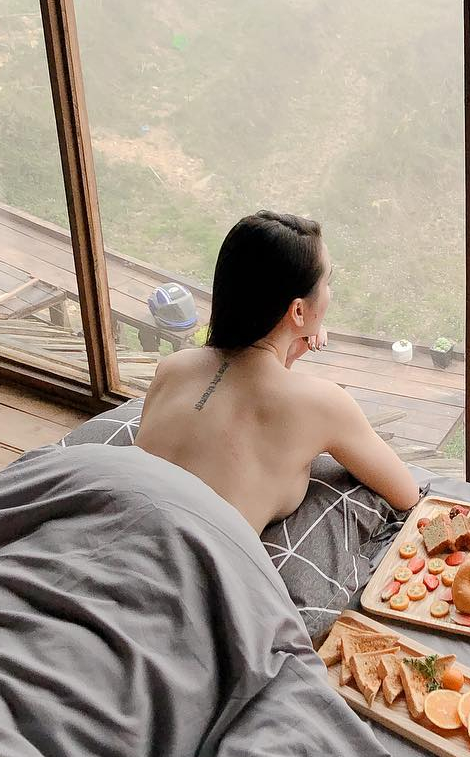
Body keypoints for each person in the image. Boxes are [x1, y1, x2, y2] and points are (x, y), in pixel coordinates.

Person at [136, 211, 420, 533]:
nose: (329, 293)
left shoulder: (171, 369)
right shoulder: (325, 405)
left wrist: (285, 357)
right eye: (328, 282)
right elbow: (405, 493)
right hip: (186, 577)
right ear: (298, 310)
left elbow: (233, 414)